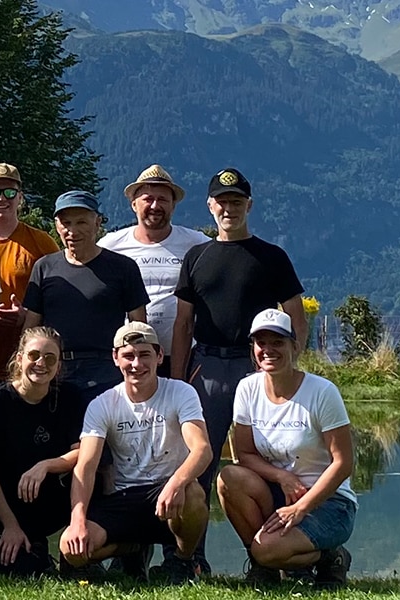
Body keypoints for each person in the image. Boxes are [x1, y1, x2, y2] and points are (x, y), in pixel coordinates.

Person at [170, 167, 307, 570]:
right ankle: (191, 556)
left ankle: (275, 552)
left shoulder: (272, 256)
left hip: (258, 369)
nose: (229, 208)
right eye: (222, 202)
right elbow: (182, 324)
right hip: (206, 368)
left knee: (272, 459)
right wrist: (178, 381)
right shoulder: (197, 257)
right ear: (210, 206)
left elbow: (296, 316)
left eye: (236, 202)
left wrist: (289, 367)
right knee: (198, 462)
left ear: (249, 205)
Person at [61, 322, 212, 583]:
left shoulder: (181, 392)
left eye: (144, 355)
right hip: (124, 496)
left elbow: (202, 449)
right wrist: (77, 518)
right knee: (70, 549)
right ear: (115, 358)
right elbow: (85, 466)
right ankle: (133, 548)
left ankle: (182, 560)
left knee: (195, 494)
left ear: (159, 356)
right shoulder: (102, 404)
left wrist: (176, 482)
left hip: (169, 495)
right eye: (128, 355)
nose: (136, 364)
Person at [218, 309, 355, 588]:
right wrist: (282, 477)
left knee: (266, 549)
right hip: (279, 494)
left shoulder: (323, 392)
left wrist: (302, 507)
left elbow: (343, 463)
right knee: (228, 479)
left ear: (295, 346)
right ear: (253, 348)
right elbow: (243, 455)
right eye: (261, 343)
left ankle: (331, 557)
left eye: (277, 342)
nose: (268, 350)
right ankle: (264, 566)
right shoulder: (247, 389)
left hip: (329, 502)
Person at [0, 327, 87, 575]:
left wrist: (45, 465)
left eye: (50, 358)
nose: (41, 363)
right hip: (2, 505)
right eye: (34, 355)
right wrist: (10, 525)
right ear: (19, 357)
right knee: (25, 569)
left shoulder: (70, 397)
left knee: (95, 472)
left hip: (47, 500)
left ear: (58, 366)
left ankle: (78, 550)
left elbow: (83, 453)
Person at [22, 190, 149, 405]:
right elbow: (30, 328)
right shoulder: (44, 267)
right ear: (56, 225)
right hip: (54, 371)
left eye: (81, 222)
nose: (72, 230)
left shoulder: (123, 267)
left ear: (97, 222)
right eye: (66, 223)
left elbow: (138, 327)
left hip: (107, 374)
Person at [99, 164, 212, 376]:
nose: (154, 205)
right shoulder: (110, 246)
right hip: (130, 358)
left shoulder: (197, 245)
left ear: (173, 206)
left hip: (184, 356)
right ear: (134, 204)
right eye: (147, 199)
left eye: (162, 200)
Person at [0, 163, 59, 394]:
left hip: (28, 369)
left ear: (20, 198)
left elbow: (59, 301)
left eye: (10, 192)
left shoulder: (41, 243)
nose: (2, 198)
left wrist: (27, 317)